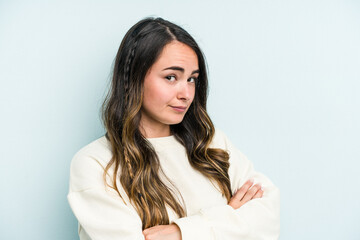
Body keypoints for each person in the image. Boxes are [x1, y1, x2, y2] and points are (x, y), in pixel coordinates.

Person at [67, 17, 280, 240]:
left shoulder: (212, 144)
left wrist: (180, 233)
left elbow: (268, 220)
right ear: (133, 78)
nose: (186, 94)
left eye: (192, 79)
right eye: (171, 77)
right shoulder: (96, 163)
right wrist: (231, 217)